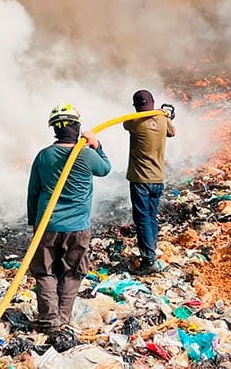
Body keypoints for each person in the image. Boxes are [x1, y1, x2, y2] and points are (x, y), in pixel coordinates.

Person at [27, 103, 111, 333]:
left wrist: (34, 222)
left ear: (55, 129)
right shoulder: (86, 155)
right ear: (77, 127)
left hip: (48, 224)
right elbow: (105, 168)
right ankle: (62, 317)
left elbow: (33, 190)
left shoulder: (44, 156)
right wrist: (97, 145)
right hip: (78, 227)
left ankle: (49, 319)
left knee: (45, 271)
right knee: (72, 271)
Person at [123, 90, 176, 275]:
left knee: (142, 219)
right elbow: (172, 132)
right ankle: (151, 250)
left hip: (140, 180)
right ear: (153, 103)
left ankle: (149, 259)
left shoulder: (135, 123)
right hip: (158, 179)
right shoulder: (162, 120)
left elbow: (124, 124)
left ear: (136, 107)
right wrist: (164, 115)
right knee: (151, 216)